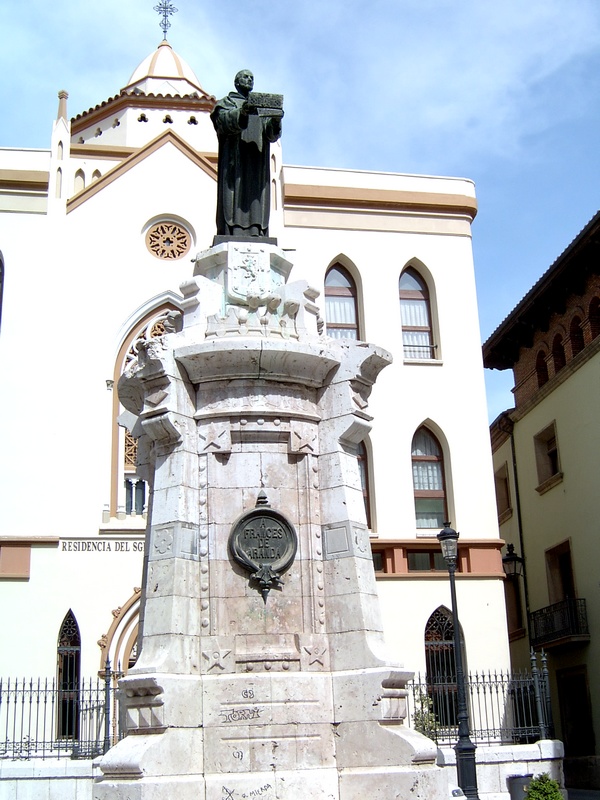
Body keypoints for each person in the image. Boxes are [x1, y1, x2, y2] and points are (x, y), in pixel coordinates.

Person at [211, 70, 282, 238]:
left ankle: (256, 230)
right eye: (245, 77)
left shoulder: (261, 106)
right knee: (233, 194)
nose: (249, 80)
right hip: (234, 161)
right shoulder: (226, 103)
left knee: (256, 195)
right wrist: (242, 112)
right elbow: (222, 123)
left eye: (252, 77)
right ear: (236, 82)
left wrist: (276, 120)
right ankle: (232, 230)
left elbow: (271, 134)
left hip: (257, 159)